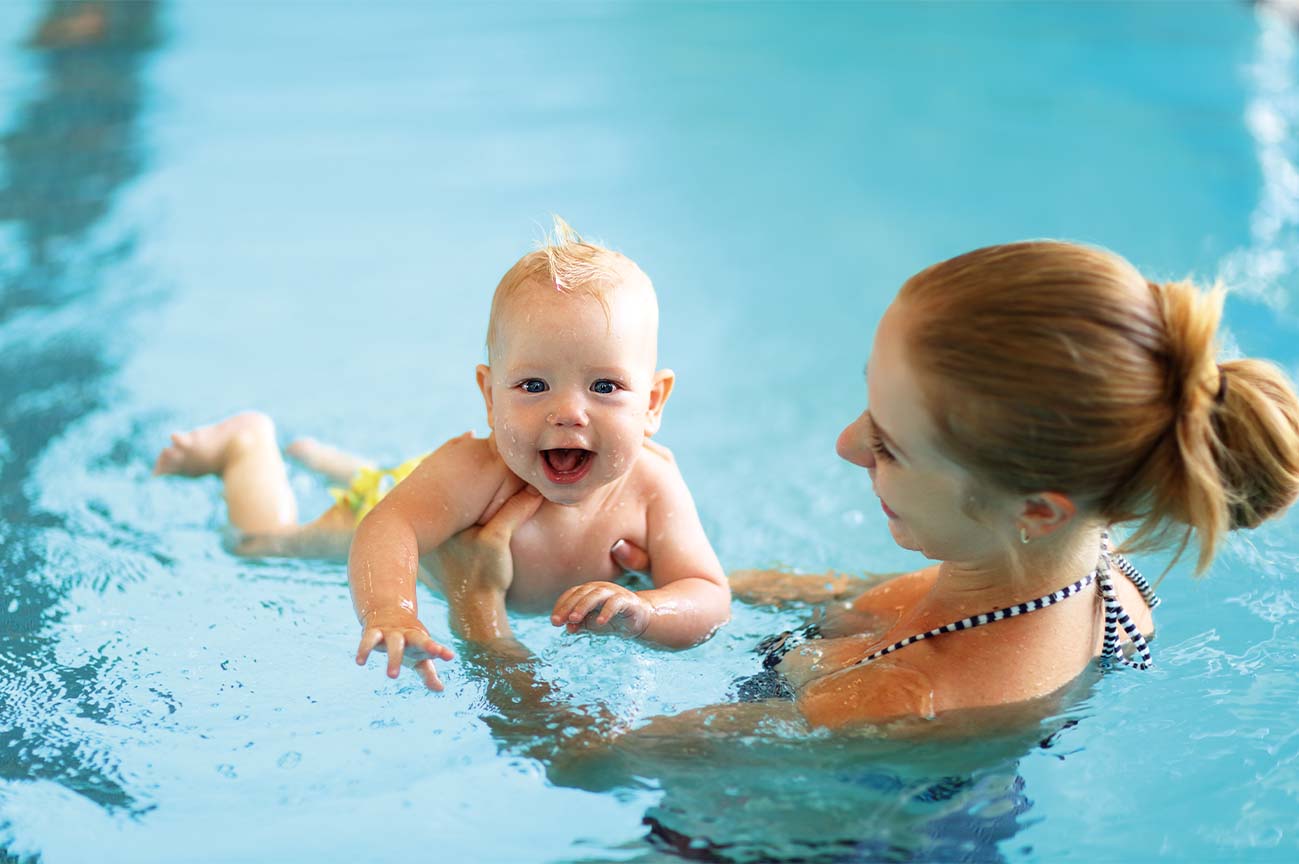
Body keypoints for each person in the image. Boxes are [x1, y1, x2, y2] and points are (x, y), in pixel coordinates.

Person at [432, 240, 1299, 733]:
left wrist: (477, 613)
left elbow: (586, 763)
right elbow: (870, 601)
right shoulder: (1095, 565)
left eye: (888, 443)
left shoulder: (894, 699)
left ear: (1037, 506)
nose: (847, 444)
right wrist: (666, 587)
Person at [153, 219, 731, 691]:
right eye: (533, 386)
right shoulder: (478, 471)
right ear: (488, 395)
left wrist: (648, 612)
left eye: (605, 387)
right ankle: (246, 446)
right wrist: (390, 607)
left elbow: (706, 592)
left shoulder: (653, 486)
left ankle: (332, 460)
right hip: (404, 498)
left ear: (653, 402)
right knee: (266, 545)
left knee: (414, 486)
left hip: (433, 494)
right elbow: (390, 525)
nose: (568, 413)